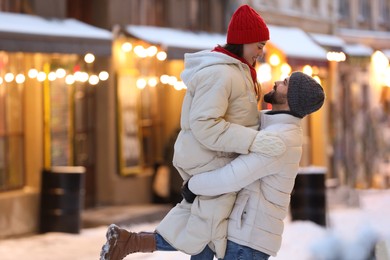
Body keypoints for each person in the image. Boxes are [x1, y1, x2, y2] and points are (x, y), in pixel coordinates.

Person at [100, 4, 285, 260]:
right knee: (208, 231)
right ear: (243, 41)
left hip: (218, 159)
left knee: (204, 226)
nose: (261, 53)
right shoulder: (221, 73)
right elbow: (205, 124)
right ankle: (127, 243)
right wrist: (254, 141)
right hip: (210, 160)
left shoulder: (238, 72)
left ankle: (128, 241)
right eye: (259, 45)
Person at [181, 71, 325, 259]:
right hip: (244, 237)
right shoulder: (270, 128)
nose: (277, 81)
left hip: (247, 242)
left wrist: (193, 186)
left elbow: (230, 178)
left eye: (285, 82)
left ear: (291, 98)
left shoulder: (279, 139)